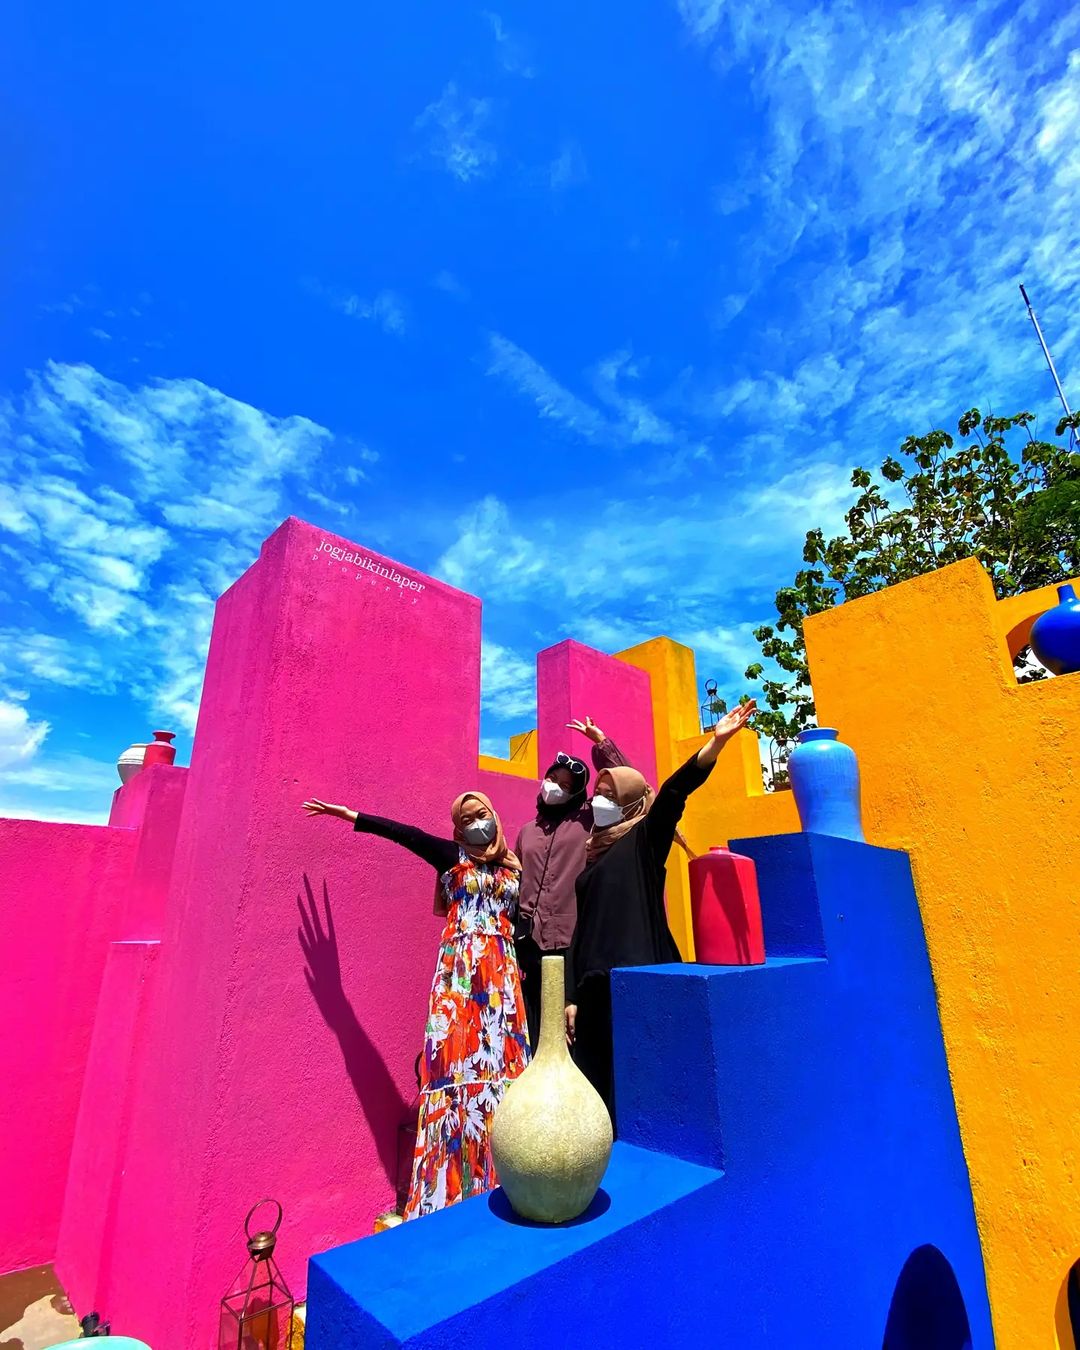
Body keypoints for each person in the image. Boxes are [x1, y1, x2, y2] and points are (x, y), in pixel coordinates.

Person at [302, 788, 528, 1220]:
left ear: (494, 815)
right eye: (464, 820)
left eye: (480, 814)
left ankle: (506, 1174)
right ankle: (453, 1187)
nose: (474, 824)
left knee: (503, 1069)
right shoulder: (451, 857)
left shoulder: (512, 867)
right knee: (458, 1066)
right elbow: (404, 835)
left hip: (502, 981)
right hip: (461, 977)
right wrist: (353, 814)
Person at [564, 700, 757, 1125]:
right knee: (595, 1095)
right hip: (594, 988)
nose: (600, 800)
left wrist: (716, 743)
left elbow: (670, 793)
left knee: (643, 1094)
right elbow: (583, 930)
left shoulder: (645, 843)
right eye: (599, 793)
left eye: (611, 796)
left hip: (639, 979)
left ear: (631, 804)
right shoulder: (595, 853)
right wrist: (572, 995)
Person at [514, 716, 630, 1051]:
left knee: (574, 1034)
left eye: (566, 785)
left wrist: (602, 743)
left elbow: (629, 789)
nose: (555, 787)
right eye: (553, 779)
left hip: (572, 945)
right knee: (535, 1032)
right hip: (530, 947)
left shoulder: (589, 819)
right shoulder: (527, 831)